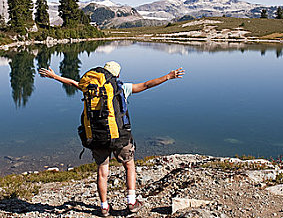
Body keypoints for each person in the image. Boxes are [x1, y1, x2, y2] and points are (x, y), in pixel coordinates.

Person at [39, 61, 185, 216]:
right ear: (118, 74)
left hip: (97, 137)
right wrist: (168, 76)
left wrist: (54, 76)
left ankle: (104, 206)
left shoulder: (90, 88)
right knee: (129, 165)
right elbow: (147, 85)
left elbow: (73, 83)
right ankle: (131, 202)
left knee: (102, 172)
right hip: (119, 136)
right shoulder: (122, 88)